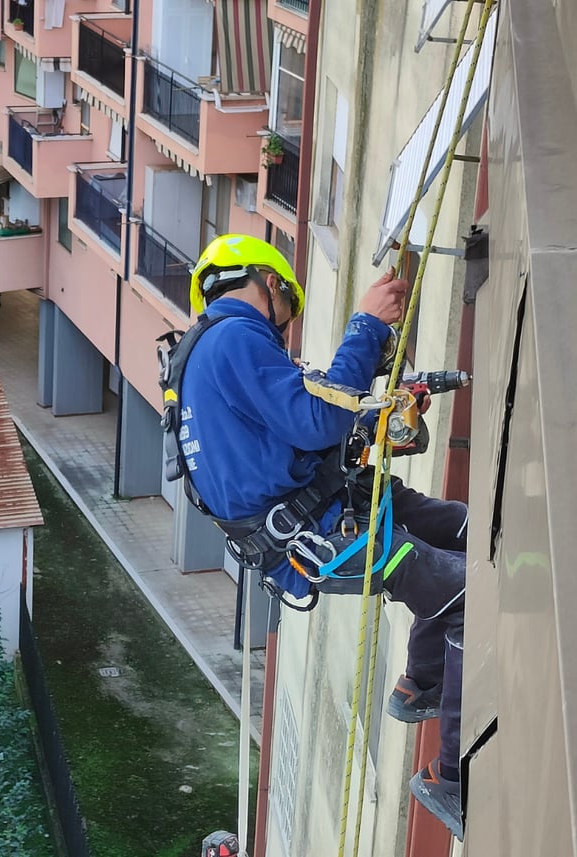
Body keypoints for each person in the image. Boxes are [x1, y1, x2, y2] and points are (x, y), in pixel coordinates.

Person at [162, 234, 466, 839]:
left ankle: (421, 684)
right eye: (285, 314)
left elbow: (301, 433)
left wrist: (380, 409)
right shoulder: (235, 337)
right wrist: (366, 324)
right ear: (271, 284)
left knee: (461, 528)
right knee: (470, 593)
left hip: (330, 508)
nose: (283, 332)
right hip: (323, 532)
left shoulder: (203, 357)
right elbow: (318, 417)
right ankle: (453, 780)